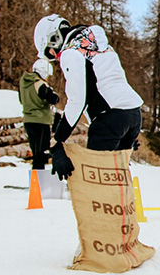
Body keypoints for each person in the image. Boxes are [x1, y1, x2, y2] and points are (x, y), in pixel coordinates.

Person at [33, 14, 144, 179]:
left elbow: (77, 100)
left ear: (55, 39)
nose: (54, 56)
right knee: (117, 179)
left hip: (110, 119)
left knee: (99, 180)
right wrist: (127, 130)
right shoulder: (100, 46)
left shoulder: (71, 53)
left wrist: (57, 142)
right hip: (133, 114)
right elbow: (112, 84)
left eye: (50, 51)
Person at [18, 59, 59, 170]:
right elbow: (53, 99)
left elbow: (21, 100)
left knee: (36, 152)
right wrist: (52, 92)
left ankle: (35, 179)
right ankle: (39, 181)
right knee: (42, 153)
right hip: (41, 121)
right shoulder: (39, 84)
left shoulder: (23, 83)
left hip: (28, 120)